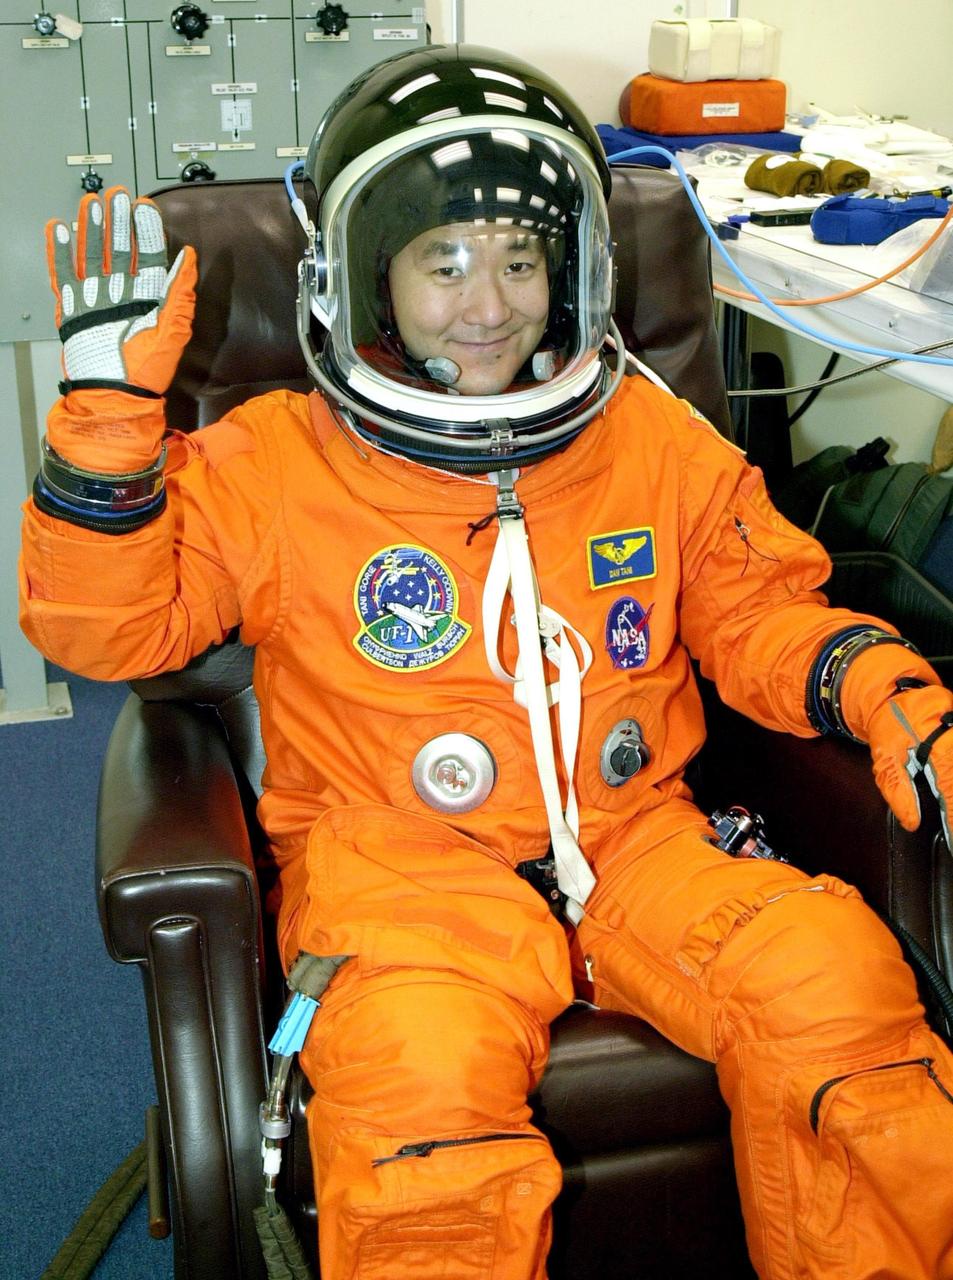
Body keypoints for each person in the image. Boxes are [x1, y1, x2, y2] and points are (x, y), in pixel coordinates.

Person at [19, 42, 953, 1280]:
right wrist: (104, 426)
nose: (489, 306)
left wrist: (884, 689)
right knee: (421, 1102)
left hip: (637, 839)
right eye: (442, 262)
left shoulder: (645, 436)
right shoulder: (277, 460)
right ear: (366, 279)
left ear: (572, 271)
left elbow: (758, 610)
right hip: (395, 870)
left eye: (519, 258)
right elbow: (105, 631)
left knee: (835, 987)